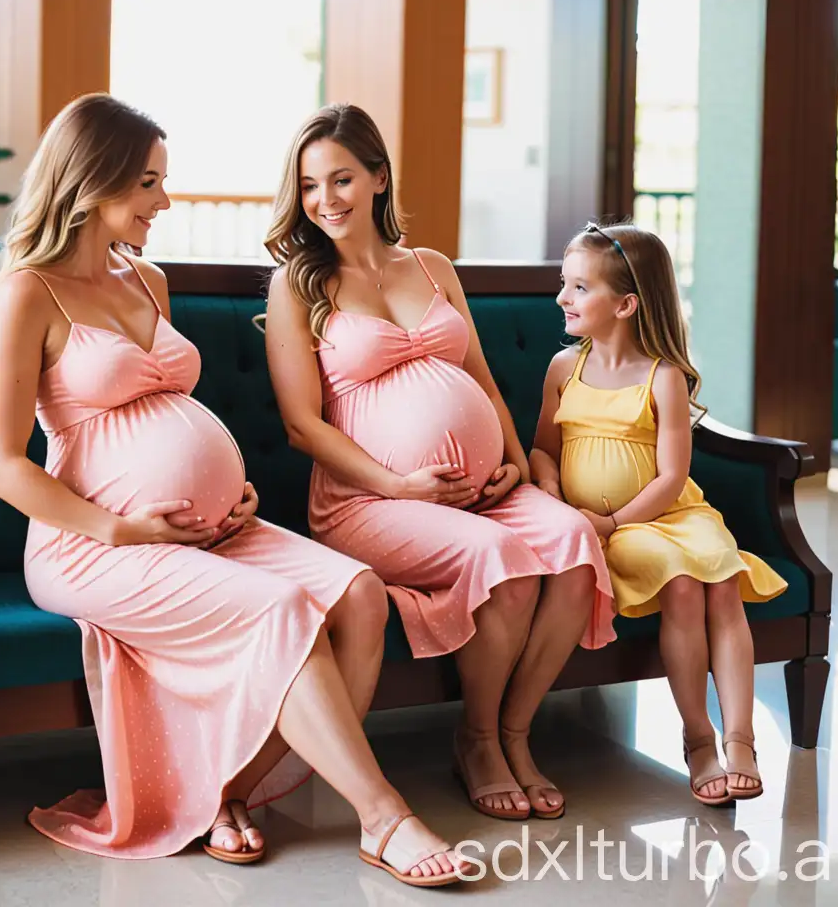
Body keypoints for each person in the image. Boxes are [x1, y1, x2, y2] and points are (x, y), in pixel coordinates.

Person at [0, 93, 470, 887]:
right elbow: (1, 465)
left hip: (209, 527)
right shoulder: (31, 293)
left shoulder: (147, 280)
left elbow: (174, 409)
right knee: (283, 609)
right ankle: (383, 816)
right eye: (147, 183)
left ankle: (224, 791)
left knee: (362, 597)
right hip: (94, 544)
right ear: (91, 180)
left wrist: (229, 492)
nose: (162, 201)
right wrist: (120, 529)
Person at [263, 103, 616, 823]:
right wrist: (398, 484)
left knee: (576, 543)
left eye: (341, 180)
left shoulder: (432, 267)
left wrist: (515, 465)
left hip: (484, 491)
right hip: (372, 503)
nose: (324, 200)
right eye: (308, 186)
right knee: (504, 563)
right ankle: (479, 741)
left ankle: (513, 733)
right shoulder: (299, 284)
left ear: (379, 178)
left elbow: (482, 380)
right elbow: (302, 426)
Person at [530, 222, 787, 806]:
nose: (562, 299)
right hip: (609, 529)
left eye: (578, 288)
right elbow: (543, 447)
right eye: (564, 285)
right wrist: (550, 489)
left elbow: (673, 477)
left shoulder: (663, 376)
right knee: (680, 583)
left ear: (624, 304)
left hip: (668, 514)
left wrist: (615, 521)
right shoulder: (561, 368)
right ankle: (699, 740)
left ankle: (741, 739)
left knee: (719, 583)